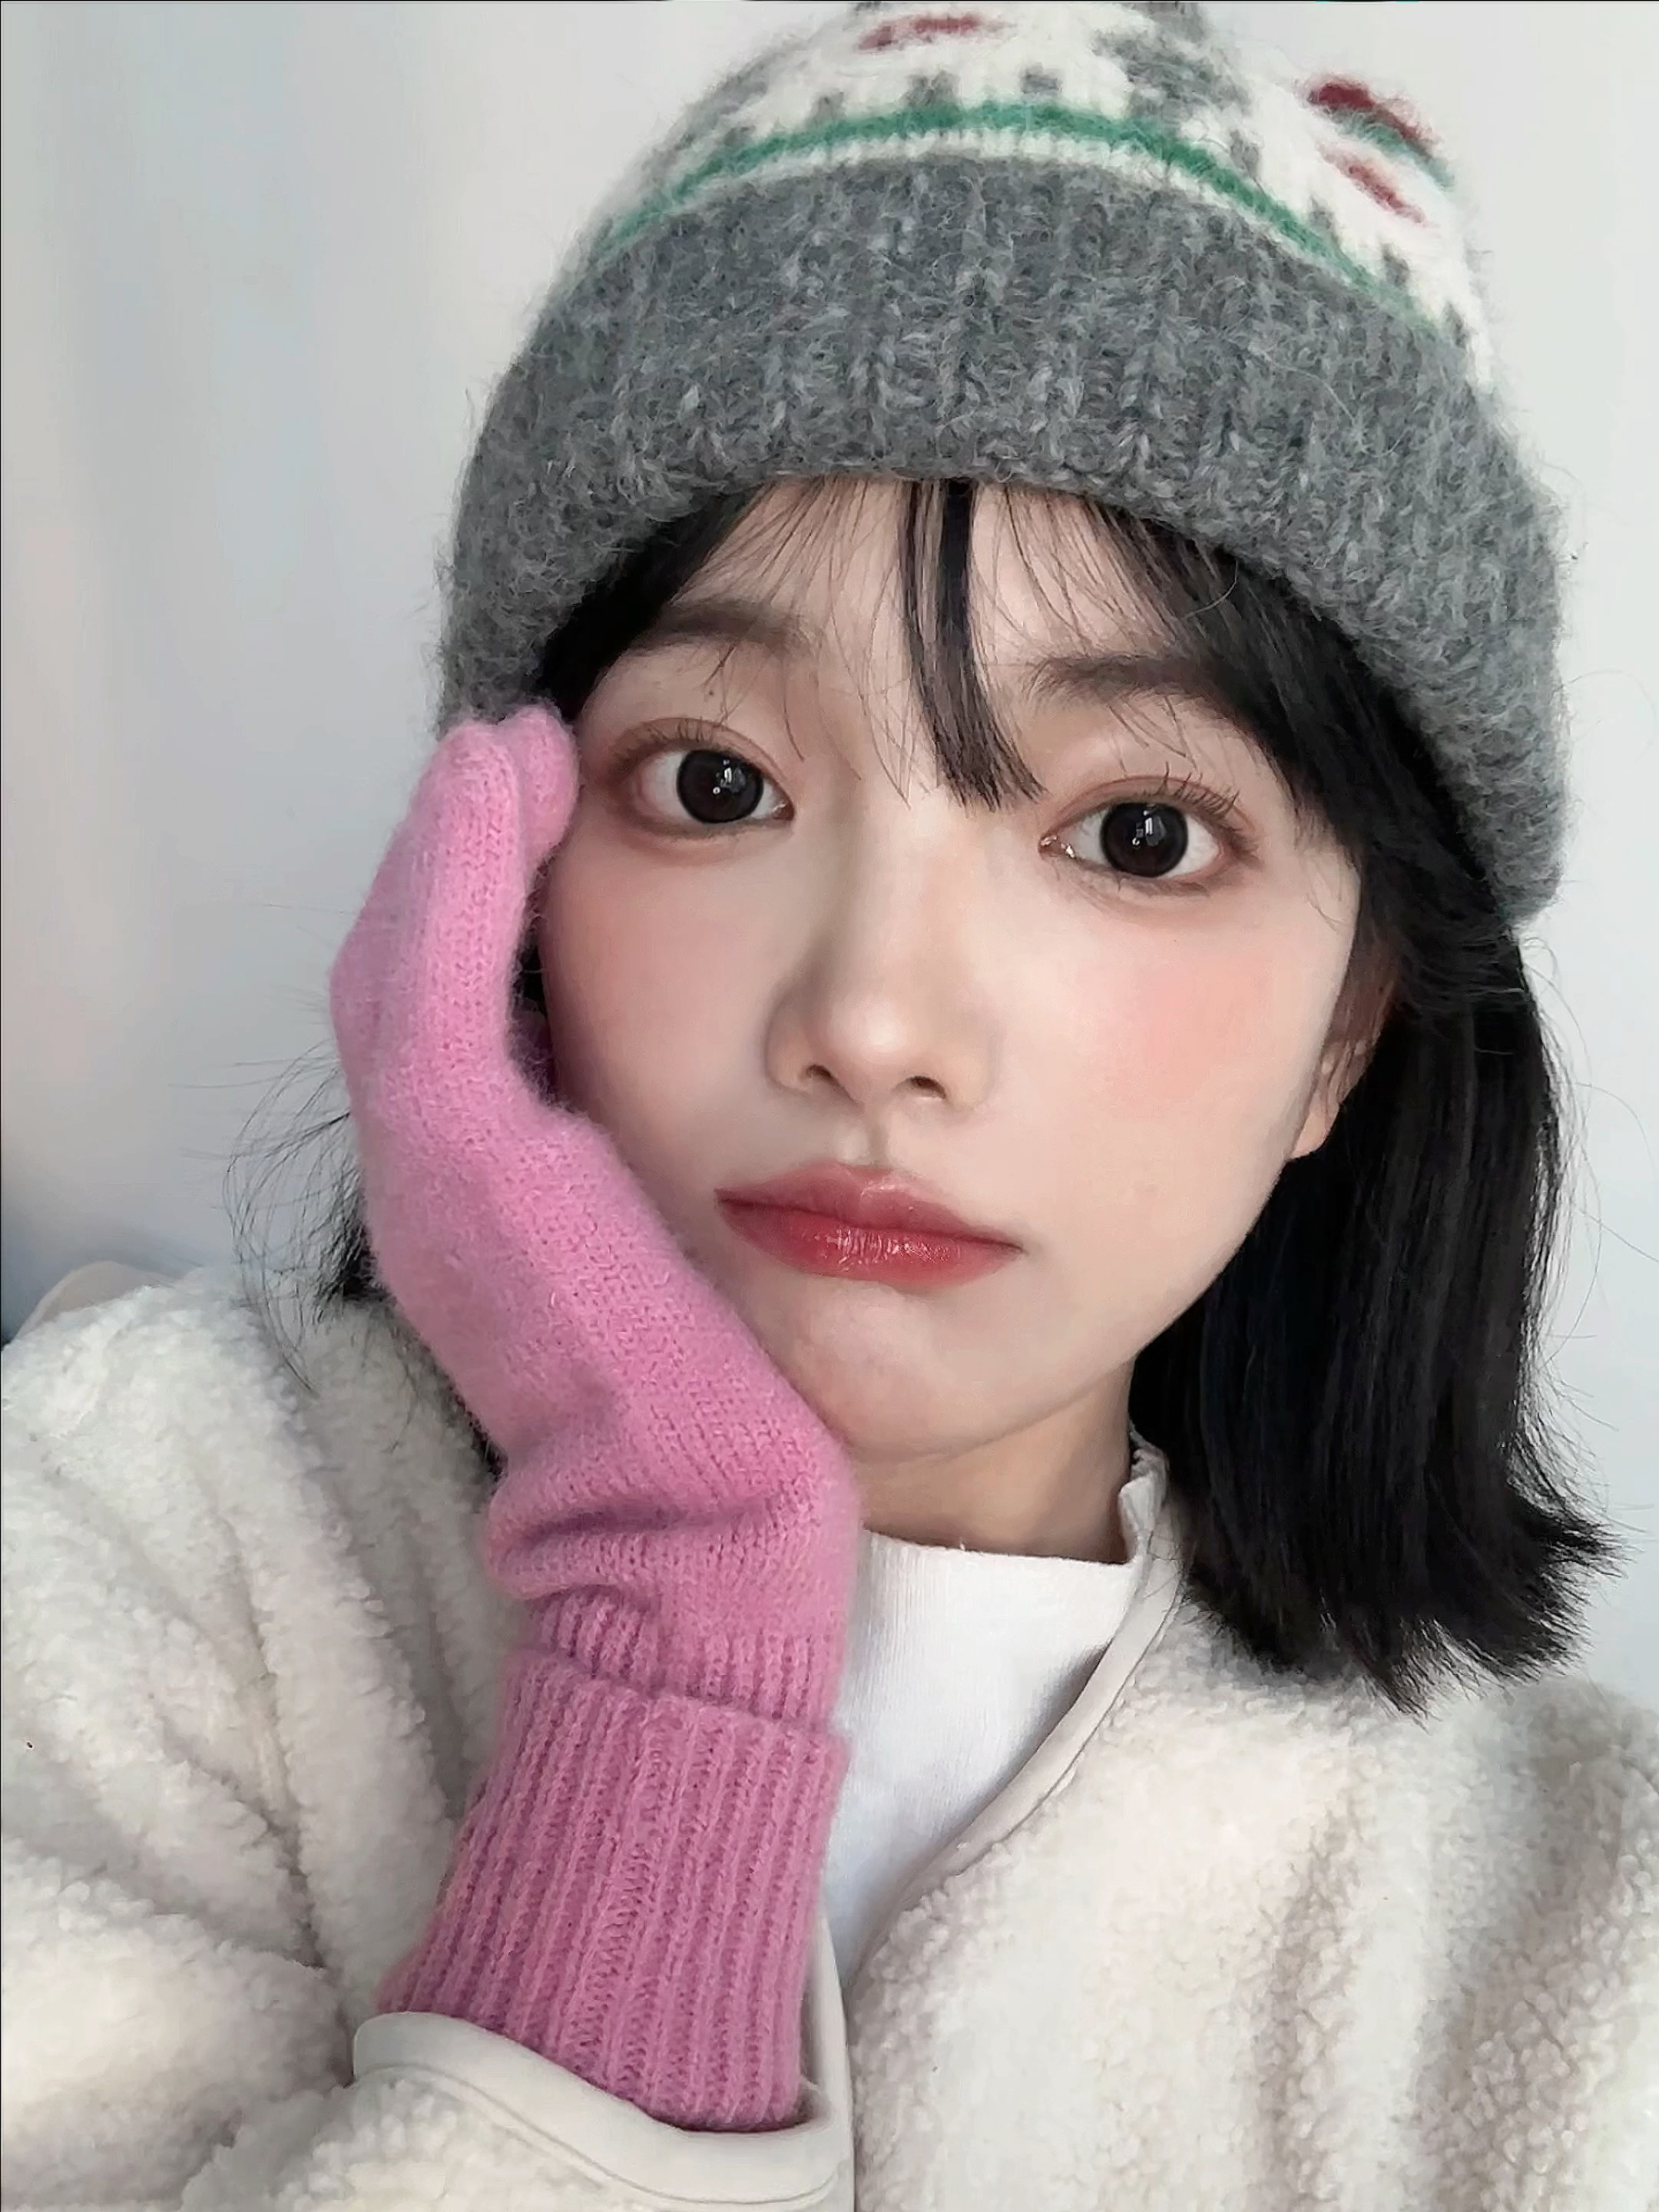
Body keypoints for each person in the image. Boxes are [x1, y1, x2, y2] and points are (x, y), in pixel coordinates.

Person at [5, 2, 1656, 2205]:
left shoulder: (1583, 1936)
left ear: (1351, 1027)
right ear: (500, 869)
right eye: (718, 784)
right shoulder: (127, 1536)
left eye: (1137, 835)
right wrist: (676, 1618)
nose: (874, 1021)